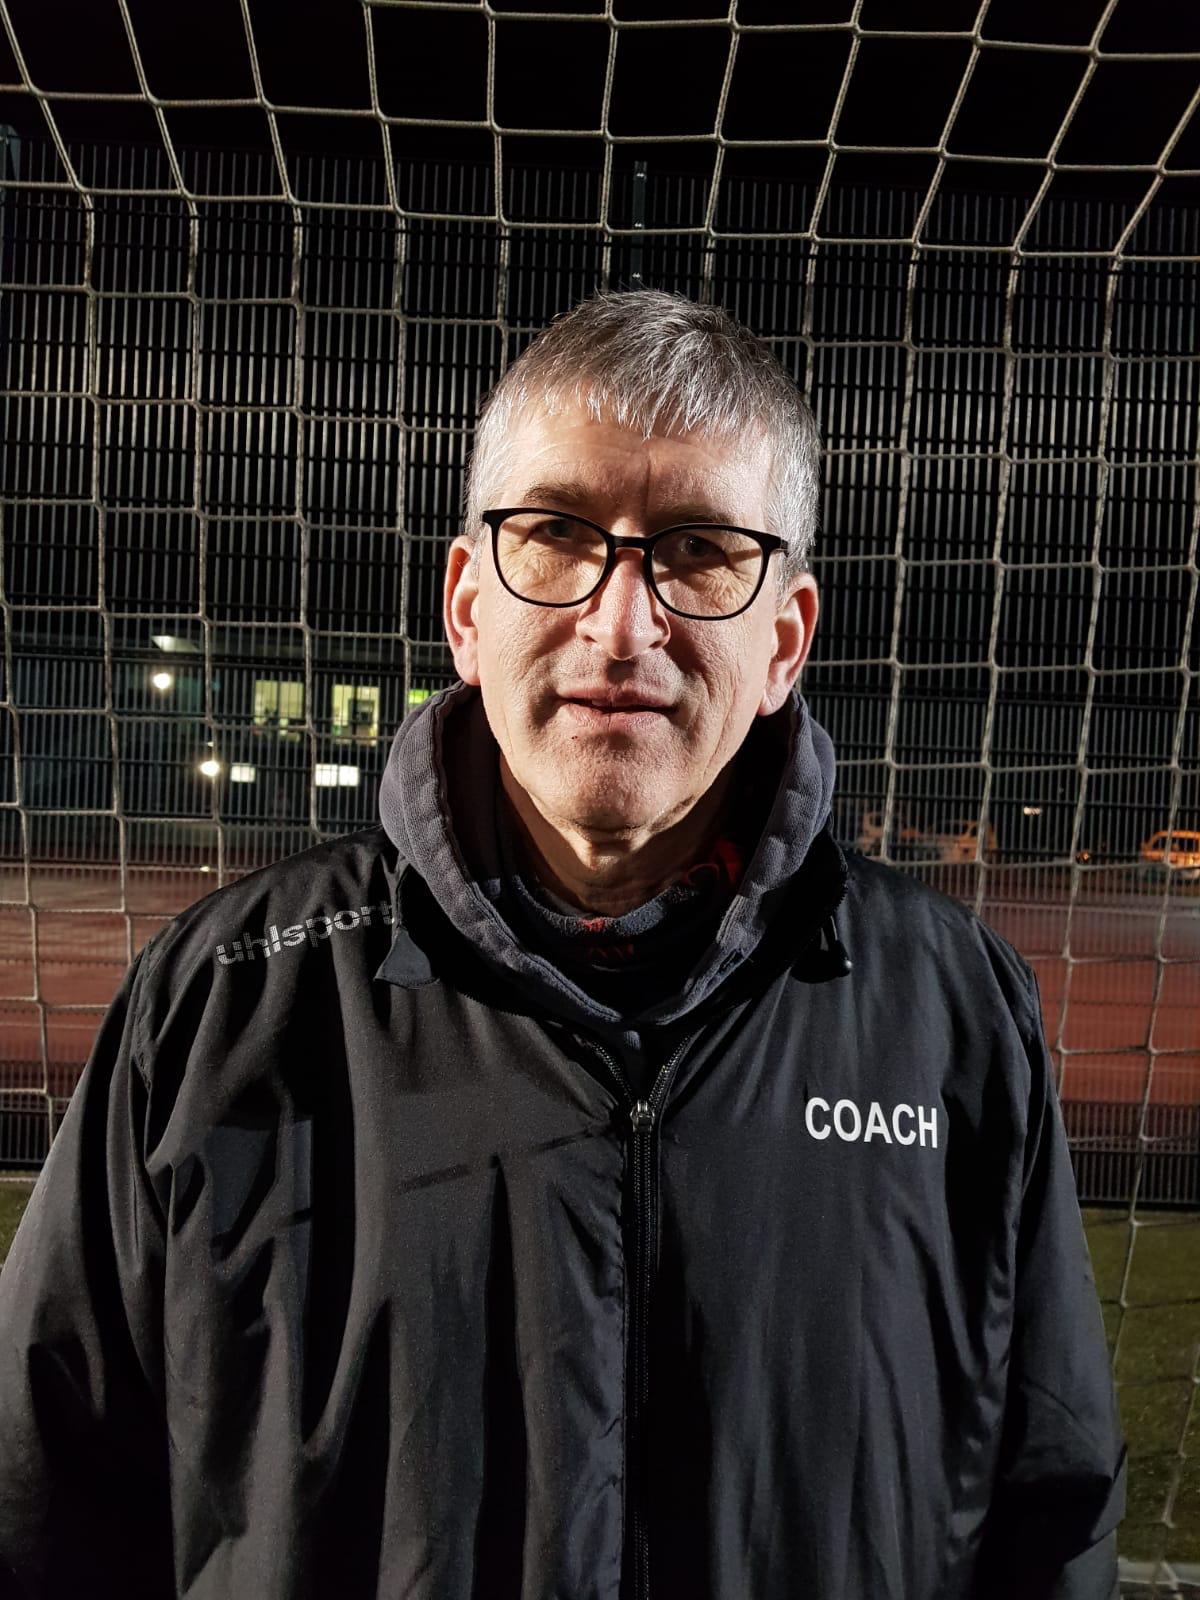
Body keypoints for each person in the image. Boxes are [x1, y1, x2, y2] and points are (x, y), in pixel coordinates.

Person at [0, 291, 1124, 1599]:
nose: (621, 622)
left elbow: (1051, 1513)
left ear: (785, 643)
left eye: (698, 549)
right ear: (467, 607)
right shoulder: (221, 1003)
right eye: (556, 534)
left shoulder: (954, 1012)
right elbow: (42, 1504)